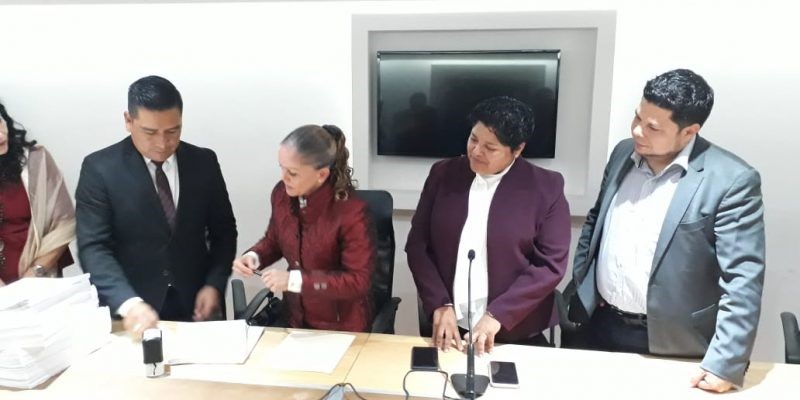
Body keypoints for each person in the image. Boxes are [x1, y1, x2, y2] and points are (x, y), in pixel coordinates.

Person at [569, 69, 764, 393]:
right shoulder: (622, 154)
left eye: (653, 127)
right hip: (600, 325)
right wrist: (583, 282)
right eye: (637, 117)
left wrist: (725, 363)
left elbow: (742, 279)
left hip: (673, 342)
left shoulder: (730, 180)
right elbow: (596, 220)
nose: (637, 130)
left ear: (689, 131)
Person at [406, 96, 571, 355]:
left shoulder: (546, 187)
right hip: (449, 328)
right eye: (473, 139)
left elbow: (550, 265)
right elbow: (418, 246)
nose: (475, 151)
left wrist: (499, 314)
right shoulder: (443, 174)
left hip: (513, 331)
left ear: (517, 149)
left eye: (490, 148)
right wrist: (440, 303)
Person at [76, 76, 237, 337]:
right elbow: (94, 247)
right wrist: (128, 303)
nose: (162, 143)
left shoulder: (204, 162)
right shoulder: (100, 169)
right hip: (133, 307)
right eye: (150, 132)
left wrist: (214, 284)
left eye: (173, 131)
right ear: (128, 121)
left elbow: (224, 231)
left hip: (196, 305)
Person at [232, 124, 375, 332]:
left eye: (293, 173)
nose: (284, 178)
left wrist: (294, 281)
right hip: (294, 320)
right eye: (282, 168)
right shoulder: (282, 194)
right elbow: (274, 239)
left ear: (321, 175)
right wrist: (255, 256)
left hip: (340, 327)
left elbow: (357, 282)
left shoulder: (351, 212)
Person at [0, 101, 75, 286]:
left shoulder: (36, 160)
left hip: (40, 277)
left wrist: (36, 272)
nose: (0, 135)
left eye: (0, 123)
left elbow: (64, 224)